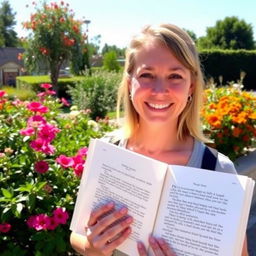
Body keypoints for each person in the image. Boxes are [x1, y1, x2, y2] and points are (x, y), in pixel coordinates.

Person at [70, 23, 248, 256]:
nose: (159, 90)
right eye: (147, 74)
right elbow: (78, 234)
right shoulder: (107, 152)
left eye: (175, 76)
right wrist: (91, 247)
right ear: (129, 81)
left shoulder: (218, 170)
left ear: (191, 86)